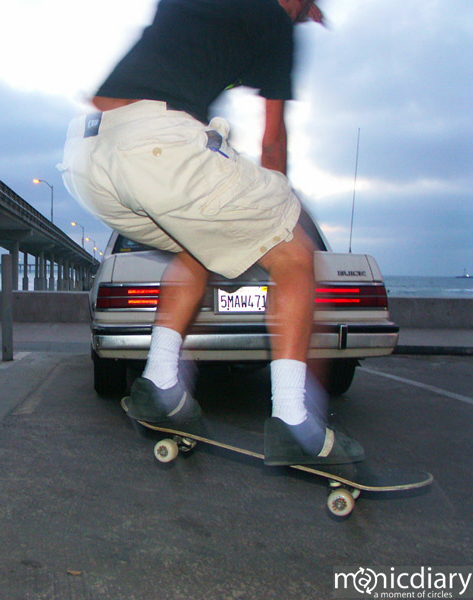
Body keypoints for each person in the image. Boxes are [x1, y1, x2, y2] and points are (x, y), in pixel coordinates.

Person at [59, 0, 364, 466]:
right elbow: (273, 141)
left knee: (200, 246)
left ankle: (160, 383)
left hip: (89, 158)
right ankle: (294, 422)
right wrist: (279, 216)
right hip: (156, 143)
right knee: (295, 253)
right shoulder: (274, 20)